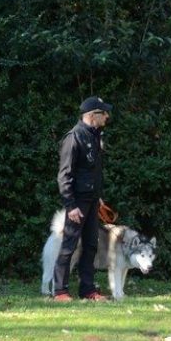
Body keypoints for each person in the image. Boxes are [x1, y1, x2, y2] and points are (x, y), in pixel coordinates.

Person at [51, 96, 113, 302]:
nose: (106, 116)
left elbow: (92, 172)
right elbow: (64, 175)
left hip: (92, 201)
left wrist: (98, 198)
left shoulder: (94, 136)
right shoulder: (74, 137)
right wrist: (71, 206)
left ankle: (87, 290)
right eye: (103, 113)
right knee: (69, 245)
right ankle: (60, 291)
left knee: (91, 246)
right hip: (77, 203)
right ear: (91, 115)